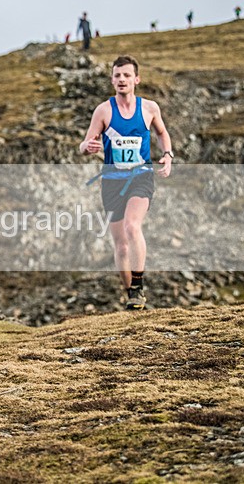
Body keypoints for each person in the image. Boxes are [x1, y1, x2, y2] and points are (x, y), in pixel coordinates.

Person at [79, 55, 173, 310]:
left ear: (136, 80)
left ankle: (139, 287)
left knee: (133, 226)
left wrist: (167, 155)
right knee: (121, 247)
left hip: (140, 177)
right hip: (111, 181)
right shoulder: (104, 110)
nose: (122, 80)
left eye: (127, 75)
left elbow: (162, 133)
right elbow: (84, 145)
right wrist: (88, 146)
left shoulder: (149, 108)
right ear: (112, 80)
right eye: (117, 75)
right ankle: (132, 295)